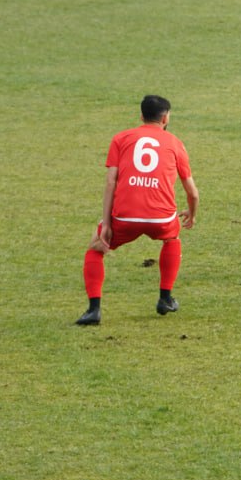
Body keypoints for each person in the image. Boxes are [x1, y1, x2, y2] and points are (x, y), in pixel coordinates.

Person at [77, 95, 200, 326]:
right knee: (173, 238)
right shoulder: (175, 143)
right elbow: (192, 193)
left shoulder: (121, 138)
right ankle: (165, 298)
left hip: (124, 217)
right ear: (165, 118)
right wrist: (191, 215)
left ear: (141, 116)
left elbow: (111, 181)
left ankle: (93, 310)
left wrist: (107, 224)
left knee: (95, 248)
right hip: (161, 218)